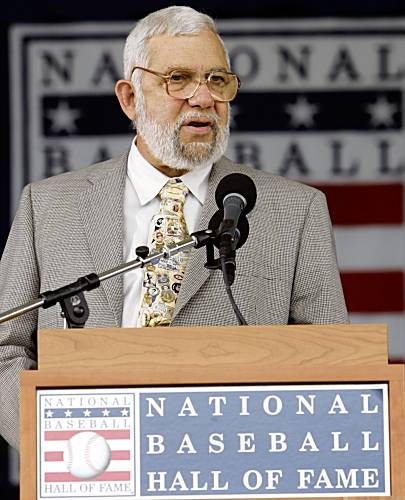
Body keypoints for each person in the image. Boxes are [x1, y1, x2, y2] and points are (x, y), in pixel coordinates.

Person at [0, 6, 348, 450]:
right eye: (178, 79)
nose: (203, 99)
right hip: (90, 472)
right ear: (130, 98)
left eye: (217, 81)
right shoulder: (49, 207)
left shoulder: (295, 210)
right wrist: (50, 443)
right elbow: (5, 347)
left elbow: (332, 365)